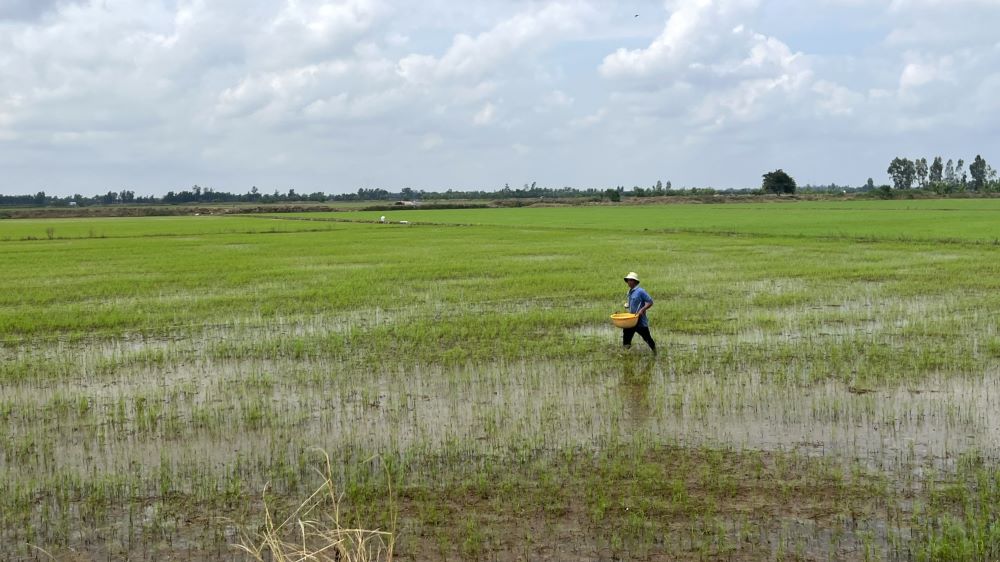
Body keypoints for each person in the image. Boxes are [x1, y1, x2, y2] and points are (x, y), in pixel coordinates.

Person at [622, 272, 656, 353]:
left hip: (640, 320)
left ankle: (655, 352)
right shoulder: (630, 292)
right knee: (626, 336)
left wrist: (642, 310)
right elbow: (634, 303)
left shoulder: (640, 291)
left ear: (635, 281)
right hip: (631, 319)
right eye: (627, 280)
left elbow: (650, 302)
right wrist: (628, 305)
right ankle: (626, 352)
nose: (628, 282)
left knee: (647, 338)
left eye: (630, 280)